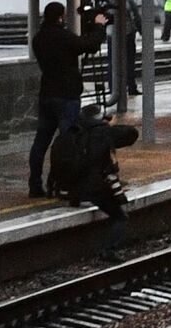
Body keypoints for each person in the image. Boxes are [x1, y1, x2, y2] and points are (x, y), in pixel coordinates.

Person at [27, 1, 108, 198]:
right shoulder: (63, 37)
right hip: (67, 96)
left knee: (41, 142)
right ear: (60, 17)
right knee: (70, 143)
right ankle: (66, 184)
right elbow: (89, 45)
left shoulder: (38, 39)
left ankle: (35, 184)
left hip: (47, 94)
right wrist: (98, 26)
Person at [60, 104, 141, 259]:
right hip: (95, 186)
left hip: (72, 186)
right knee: (120, 217)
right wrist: (108, 124)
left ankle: (76, 199)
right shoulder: (103, 132)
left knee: (87, 188)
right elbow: (131, 133)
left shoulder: (71, 132)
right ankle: (108, 250)